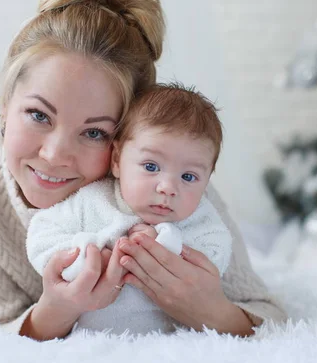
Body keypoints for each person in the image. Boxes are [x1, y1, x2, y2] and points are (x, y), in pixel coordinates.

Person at [0, 0, 287, 342]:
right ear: (5, 104)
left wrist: (208, 310)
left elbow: (267, 313)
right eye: (38, 115)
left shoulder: (164, 186)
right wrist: (55, 312)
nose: (54, 155)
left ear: (125, 144)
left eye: (95, 132)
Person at [27, 84, 233, 335]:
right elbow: (42, 233)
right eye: (150, 166)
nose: (168, 187)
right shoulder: (93, 200)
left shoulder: (201, 217)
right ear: (117, 160)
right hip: (88, 343)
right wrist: (85, 255)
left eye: (188, 177)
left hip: (169, 346)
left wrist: (167, 248)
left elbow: (216, 253)